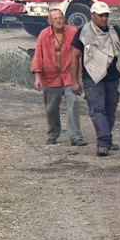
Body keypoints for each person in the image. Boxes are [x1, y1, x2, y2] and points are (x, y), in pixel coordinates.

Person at [71, 1, 120, 157]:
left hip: (112, 76)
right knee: (97, 109)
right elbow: (74, 57)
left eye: (106, 15)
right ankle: (104, 141)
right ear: (92, 15)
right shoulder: (82, 32)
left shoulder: (114, 30)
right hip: (91, 77)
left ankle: (106, 138)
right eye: (100, 15)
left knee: (110, 110)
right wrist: (74, 81)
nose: (103, 18)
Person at [31, 8, 86, 146]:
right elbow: (38, 55)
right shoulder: (44, 35)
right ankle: (53, 134)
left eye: (60, 17)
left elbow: (82, 52)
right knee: (51, 108)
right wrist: (37, 76)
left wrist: (81, 74)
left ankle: (76, 137)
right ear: (50, 21)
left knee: (73, 103)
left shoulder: (73, 32)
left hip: (69, 75)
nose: (58, 20)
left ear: (64, 18)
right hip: (50, 77)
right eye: (55, 18)